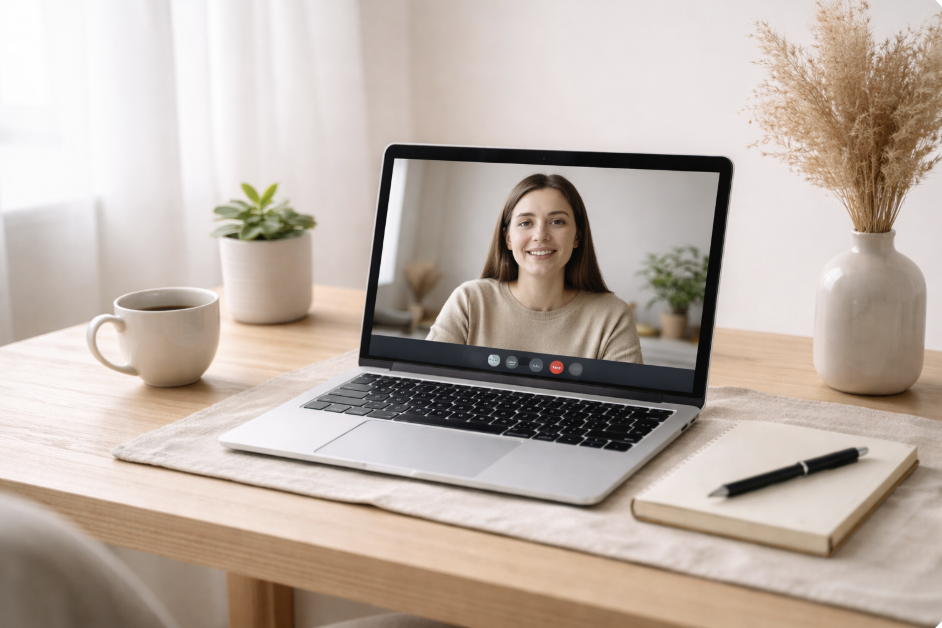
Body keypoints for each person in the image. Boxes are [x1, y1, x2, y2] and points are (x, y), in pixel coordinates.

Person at [427, 173, 642, 363]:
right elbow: (427, 381)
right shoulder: (470, 300)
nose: (540, 235)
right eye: (525, 223)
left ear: (577, 236)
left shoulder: (613, 316)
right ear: (508, 238)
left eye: (557, 221)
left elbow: (628, 404)